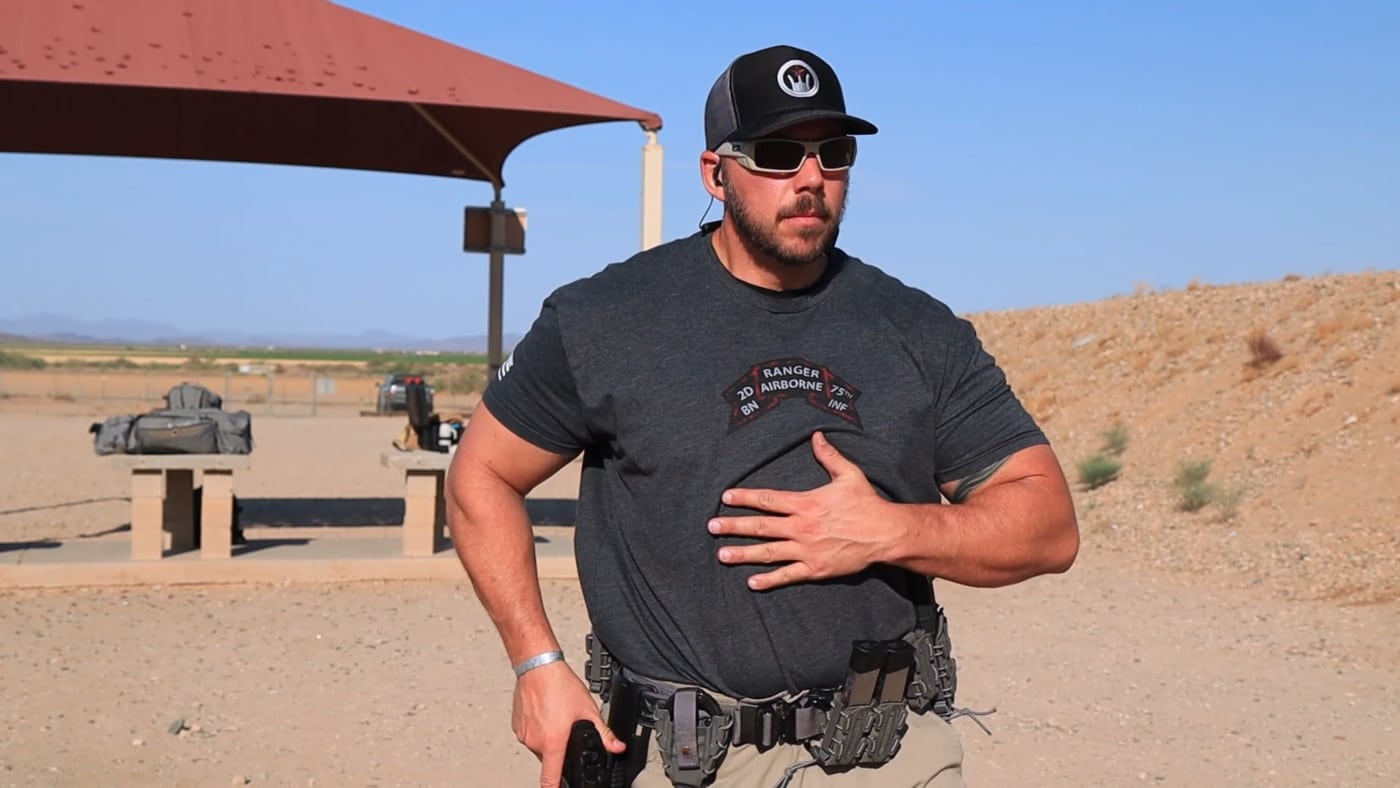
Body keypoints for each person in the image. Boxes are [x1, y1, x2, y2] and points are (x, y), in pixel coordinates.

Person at [446, 44, 1079, 788]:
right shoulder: (607, 321)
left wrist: (891, 529)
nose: (810, 178)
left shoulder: (918, 331)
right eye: (779, 153)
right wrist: (537, 667)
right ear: (716, 173)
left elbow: (1049, 526)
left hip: (884, 759)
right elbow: (480, 475)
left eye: (832, 153)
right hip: (676, 762)